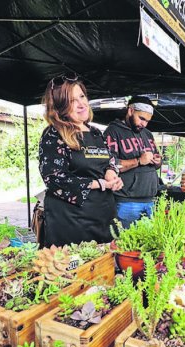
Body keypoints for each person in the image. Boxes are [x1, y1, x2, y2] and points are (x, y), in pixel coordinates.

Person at [38, 75, 123, 247]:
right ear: (60, 107)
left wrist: (111, 171)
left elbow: (110, 158)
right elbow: (53, 178)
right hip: (71, 220)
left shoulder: (96, 133)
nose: (81, 104)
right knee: (76, 269)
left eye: (82, 96)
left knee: (104, 266)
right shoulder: (54, 134)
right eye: (71, 101)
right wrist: (98, 184)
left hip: (103, 215)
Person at [105, 96, 161, 228]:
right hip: (126, 202)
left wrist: (157, 161)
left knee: (148, 246)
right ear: (130, 111)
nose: (144, 124)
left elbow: (157, 164)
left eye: (147, 121)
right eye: (141, 118)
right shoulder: (112, 131)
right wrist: (138, 161)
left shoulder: (147, 134)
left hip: (150, 200)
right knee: (125, 246)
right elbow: (108, 165)